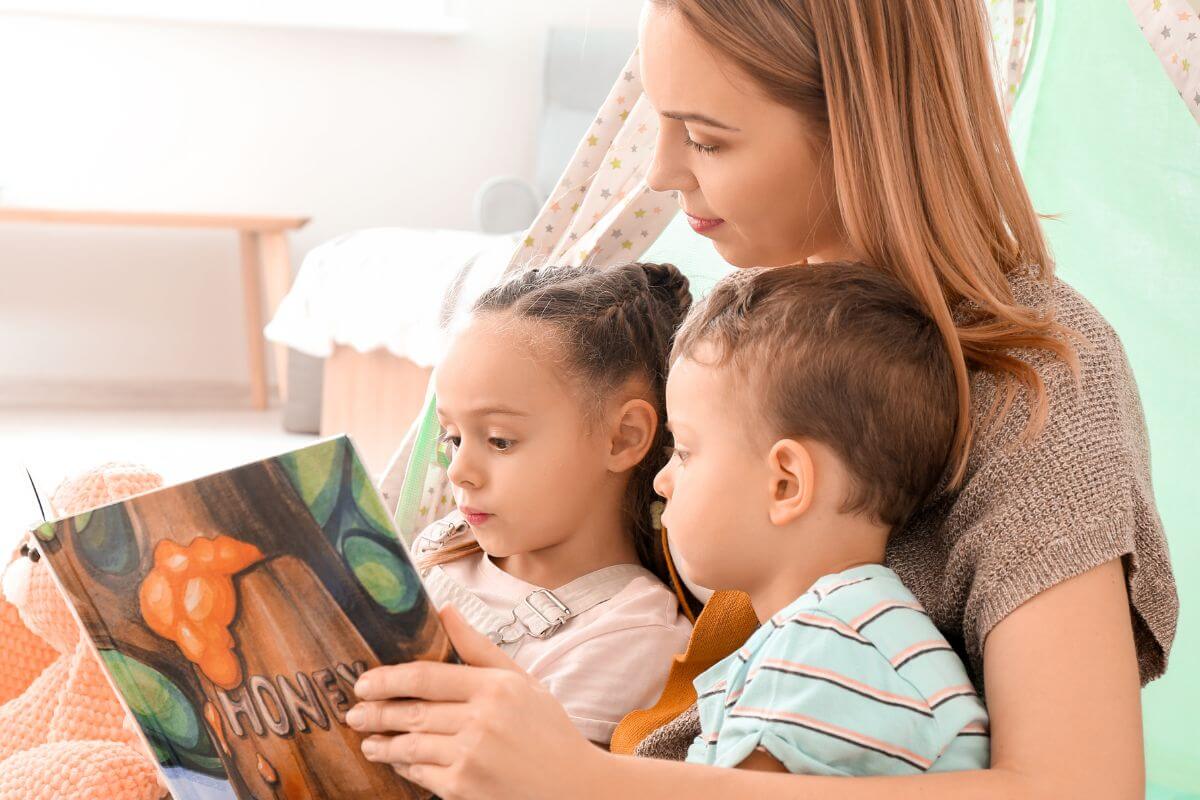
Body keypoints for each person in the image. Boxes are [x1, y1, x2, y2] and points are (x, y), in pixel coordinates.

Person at [346, 1, 1177, 797]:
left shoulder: (1032, 373)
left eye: (705, 138)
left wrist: (586, 783)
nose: (660, 172)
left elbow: (1078, 786)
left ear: (860, 128)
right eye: (660, 123)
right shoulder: (753, 314)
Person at [662, 264, 989, 774]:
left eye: (683, 452)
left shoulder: (824, 651)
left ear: (786, 483)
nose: (662, 481)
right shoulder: (847, 634)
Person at [355, 261, 694, 746]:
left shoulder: (628, 637)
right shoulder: (449, 541)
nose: (458, 471)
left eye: (499, 441)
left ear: (622, 438)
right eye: (452, 438)